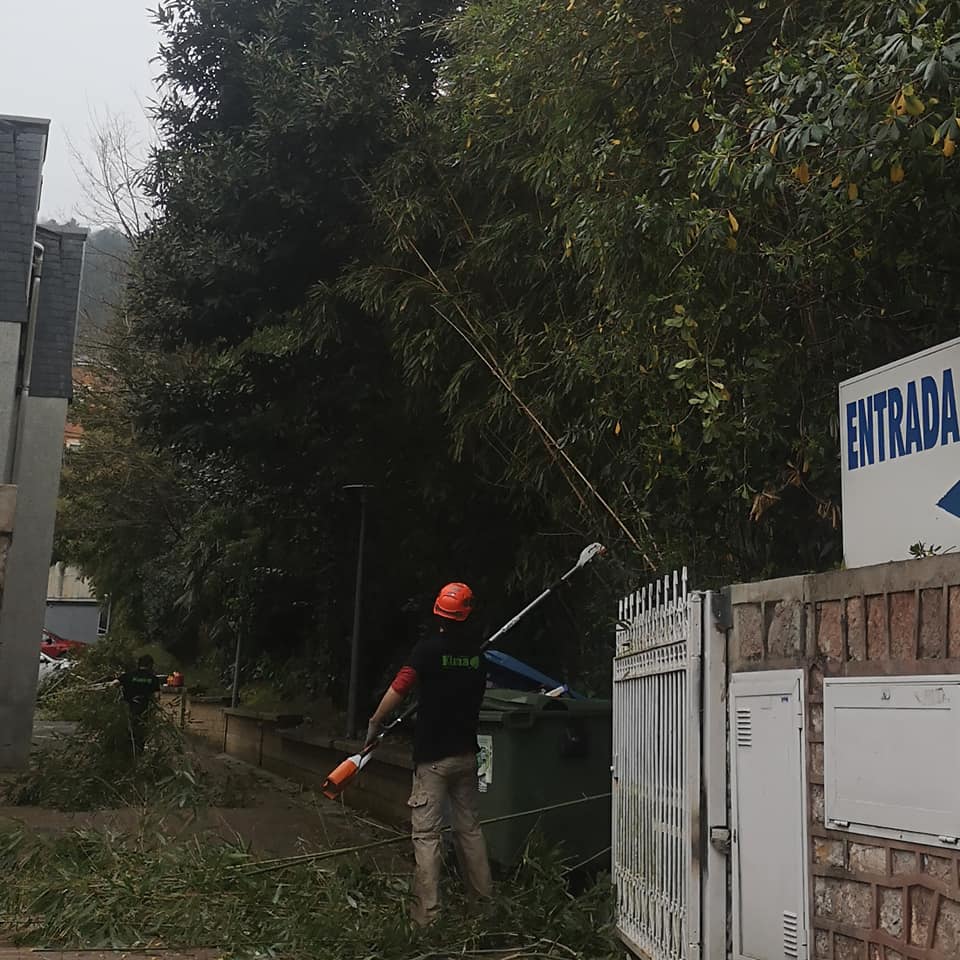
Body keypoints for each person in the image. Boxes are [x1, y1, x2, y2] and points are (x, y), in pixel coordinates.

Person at [367, 581, 493, 928]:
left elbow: (400, 687)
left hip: (432, 760)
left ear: (439, 615)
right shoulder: (478, 657)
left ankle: (428, 918)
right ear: (466, 617)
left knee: (426, 836)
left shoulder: (427, 651)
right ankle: (483, 909)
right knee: (470, 831)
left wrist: (376, 722)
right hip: (467, 755)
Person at [115, 654, 162, 756]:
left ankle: (125, 755)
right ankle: (138, 754)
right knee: (140, 734)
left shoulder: (129, 675)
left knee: (127, 732)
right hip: (143, 711)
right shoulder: (153, 679)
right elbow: (157, 697)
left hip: (128, 709)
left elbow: (115, 683)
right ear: (150, 665)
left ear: (138, 664)